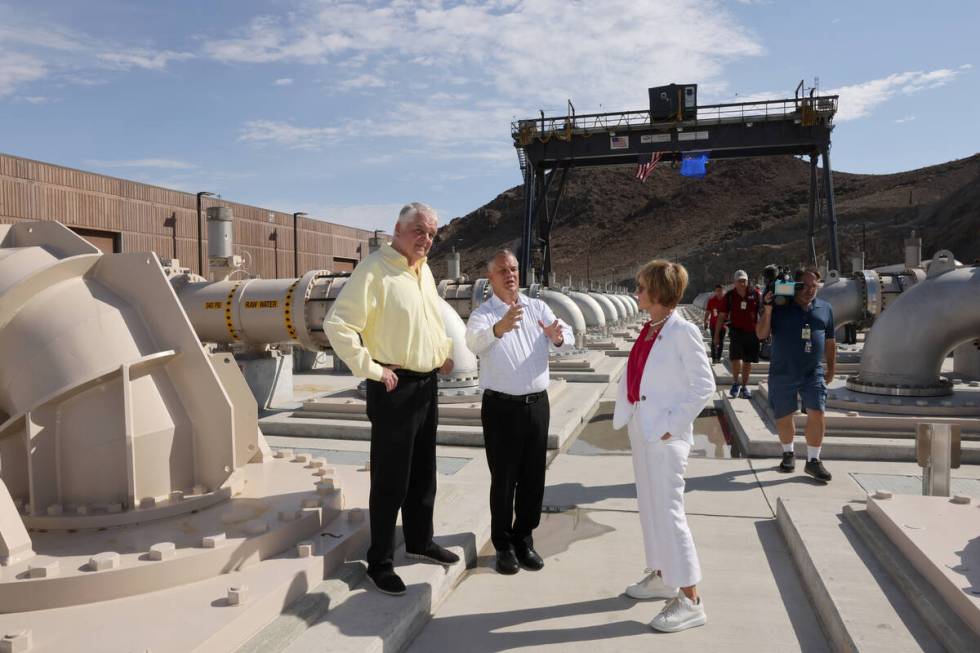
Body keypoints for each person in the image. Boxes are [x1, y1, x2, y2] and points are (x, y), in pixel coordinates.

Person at [324, 202, 459, 596]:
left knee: (423, 474)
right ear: (397, 229)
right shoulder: (375, 270)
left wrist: (443, 350)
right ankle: (379, 562)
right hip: (394, 387)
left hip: (427, 384)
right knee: (390, 481)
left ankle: (419, 541)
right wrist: (372, 368)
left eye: (432, 234)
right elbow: (338, 324)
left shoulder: (423, 270)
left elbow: (432, 316)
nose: (426, 239)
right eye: (419, 230)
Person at [613, 260, 715, 633]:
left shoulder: (681, 332)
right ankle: (661, 575)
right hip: (643, 430)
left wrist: (673, 425)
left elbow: (703, 385)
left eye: (641, 288)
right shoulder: (651, 329)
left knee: (670, 514)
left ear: (657, 293)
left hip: (664, 435)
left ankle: (691, 599)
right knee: (650, 508)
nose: (636, 293)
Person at [465, 250, 574, 575]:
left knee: (532, 478)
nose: (510, 274)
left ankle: (524, 539)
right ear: (491, 278)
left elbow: (565, 335)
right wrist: (498, 328)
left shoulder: (538, 307)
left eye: (513, 268)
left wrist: (557, 338)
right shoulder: (483, 315)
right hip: (500, 408)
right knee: (504, 479)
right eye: (502, 270)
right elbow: (473, 344)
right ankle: (502, 545)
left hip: (536, 406)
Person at [756, 269, 835, 483]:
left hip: (812, 371)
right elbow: (761, 334)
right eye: (805, 286)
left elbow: (830, 341)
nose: (810, 290)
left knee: (817, 412)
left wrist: (831, 369)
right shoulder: (781, 307)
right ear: (795, 286)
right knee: (784, 416)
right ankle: (788, 453)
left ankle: (813, 460)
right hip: (783, 370)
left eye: (814, 286)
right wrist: (769, 310)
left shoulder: (825, 308)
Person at [714, 269, 762, 399]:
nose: (742, 283)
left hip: (752, 332)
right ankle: (736, 383)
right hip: (736, 331)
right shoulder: (729, 296)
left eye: (744, 280)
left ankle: (745, 386)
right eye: (739, 281)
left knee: (748, 361)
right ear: (734, 282)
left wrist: (765, 331)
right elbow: (721, 316)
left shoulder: (755, 294)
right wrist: (716, 335)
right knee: (736, 359)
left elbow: (762, 313)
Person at [703, 284, 726, 363]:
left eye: (720, 291)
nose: (719, 293)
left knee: (721, 341)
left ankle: (718, 357)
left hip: (723, 325)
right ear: (715, 291)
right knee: (714, 340)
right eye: (717, 291)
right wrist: (705, 321)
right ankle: (714, 358)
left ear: (723, 291)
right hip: (713, 324)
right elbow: (708, 312)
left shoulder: (726, 300)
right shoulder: (712, 301)